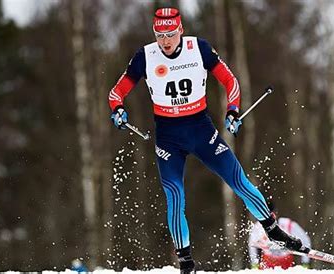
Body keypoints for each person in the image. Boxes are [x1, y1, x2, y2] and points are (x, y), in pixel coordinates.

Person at [108, 7, 309, 273]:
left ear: (180, 30)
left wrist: (233, 110)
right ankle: (186, 261)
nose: (165, 41)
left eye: (170, 33)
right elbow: (115, 93)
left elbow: (230, 81)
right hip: (168, 137)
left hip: (201, 129)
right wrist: (118, 110)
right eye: (159, 34)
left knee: (239, 181)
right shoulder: (145, 56)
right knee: (175, 196)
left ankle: (273, 232)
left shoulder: (199, 48)